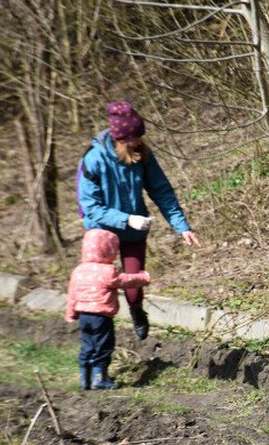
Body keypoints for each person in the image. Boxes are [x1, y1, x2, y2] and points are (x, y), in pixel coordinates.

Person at [78, 100, 199, 340]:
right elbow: (89, 207)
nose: (138, 142)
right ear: (120, 138)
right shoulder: (93, 160)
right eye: (133, 139)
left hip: (134, 233)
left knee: (134, 288)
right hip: (102, 236)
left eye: (139, 137)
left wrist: (181, 226)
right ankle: (99, 346)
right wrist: (126, 219)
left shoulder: (142, 154)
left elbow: (161, 191)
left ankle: (136, 311)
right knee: (97, 292)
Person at [65, 229, 151, 390]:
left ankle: (85, 379)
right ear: (110, 250)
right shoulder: (107, 271)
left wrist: (71, 313)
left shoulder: (78, 271)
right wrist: (144, 278)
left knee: (87, 346)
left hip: (84, 316)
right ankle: (100, 378)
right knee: (103, 346)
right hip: (101, 317)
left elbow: (72, 294)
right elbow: (125, 280)